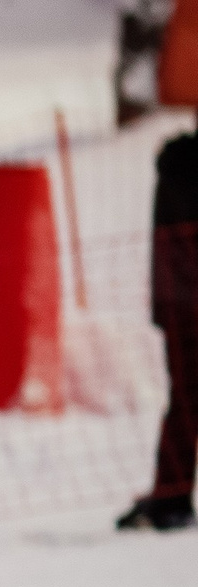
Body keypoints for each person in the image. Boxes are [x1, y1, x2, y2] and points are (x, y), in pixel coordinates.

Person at [123, 126, 198, 531]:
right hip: (185, 305)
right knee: (186, 401)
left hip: (177, 303)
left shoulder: (176, 167)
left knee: (185, 402)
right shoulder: (184, 169)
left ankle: (171, 495)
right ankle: (170, 497)